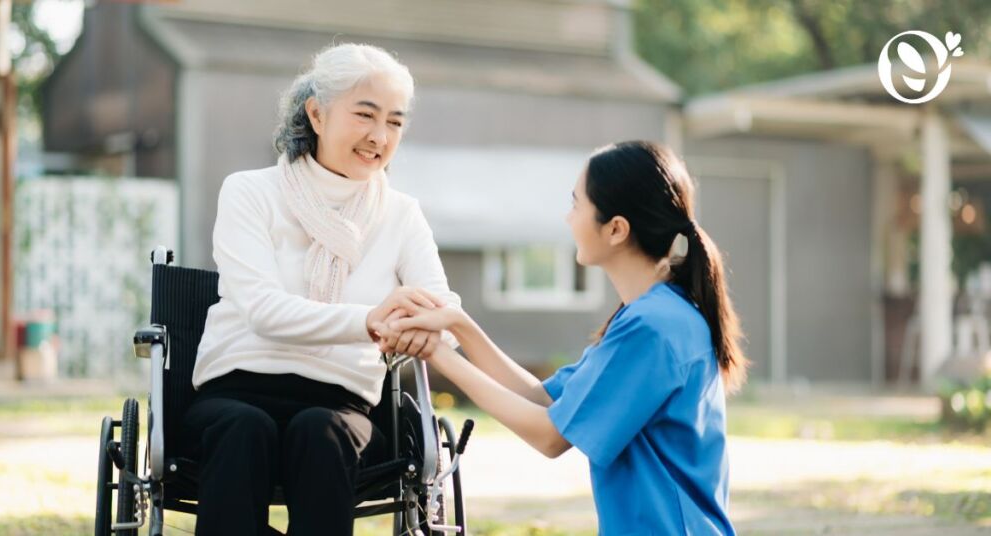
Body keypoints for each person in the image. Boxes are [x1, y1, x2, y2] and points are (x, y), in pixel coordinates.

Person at [374, 141, 748, 535]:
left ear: (616, 229)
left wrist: (437, 354)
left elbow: (551, 437)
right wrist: (459, 326)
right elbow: (544, 398)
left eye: (576, 204)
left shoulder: (652, 327)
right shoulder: (659, 313)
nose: (568, 218)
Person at [182, 43, 458, 536]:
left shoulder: (401, 214)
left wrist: (425, 323)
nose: (380, 136)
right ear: (317, 113)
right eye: (365, 115)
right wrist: (372, 320)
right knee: (245, 429)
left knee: (321, 430)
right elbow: (264, 311)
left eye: (395, 122)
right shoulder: (249, 192)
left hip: (342, 405)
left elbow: (442, 308)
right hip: (237, 389)